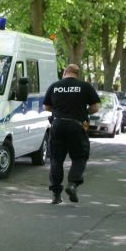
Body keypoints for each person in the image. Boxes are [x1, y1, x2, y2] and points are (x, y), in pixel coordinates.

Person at [42, 64, 100, 204]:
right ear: (77, 74)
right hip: (76, 125)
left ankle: (56, 195)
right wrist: (83, 112)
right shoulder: (85, 86)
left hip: (57, 125)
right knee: (79, 157)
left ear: (65, 72)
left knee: (56, 160)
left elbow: (46, 106)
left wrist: (59, 110)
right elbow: (95, 107)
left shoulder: (55, 86)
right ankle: (73, 184)